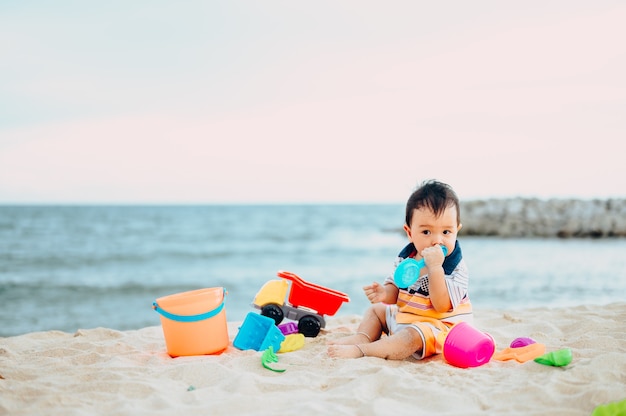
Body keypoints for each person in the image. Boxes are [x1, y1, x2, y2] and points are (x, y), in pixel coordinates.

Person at [327, 179, 472, 360]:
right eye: (426, 232)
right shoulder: (406, 258)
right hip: (406, 317)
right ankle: (363, 337)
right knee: (376, 311)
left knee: (412, 336)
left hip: (438, 327)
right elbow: (396, 291)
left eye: (446, 232)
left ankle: (364, 350)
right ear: (409, 233)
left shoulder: (455, 267)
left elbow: (441, 305)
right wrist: (384, 294)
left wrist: (435, 268)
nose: (437, 240)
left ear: (456, 231)